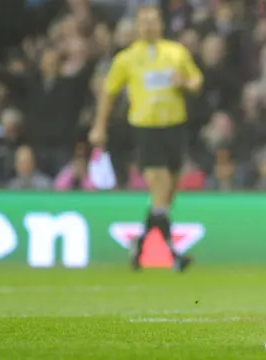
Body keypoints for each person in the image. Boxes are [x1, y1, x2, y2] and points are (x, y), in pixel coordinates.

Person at [88, 4, 203, 272]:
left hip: (174, 128)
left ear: (161, 24)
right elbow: (109, 92)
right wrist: (99, 125)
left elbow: (197, 80)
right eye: (144, 21)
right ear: (138, 26)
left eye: (153, 21)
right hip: (146, 130)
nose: (149, 26)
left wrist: (184, 83)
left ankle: (139, 243)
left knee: (166, 197)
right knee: (160, 188)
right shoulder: (127, 59)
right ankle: (174, 254)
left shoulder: (176, 53)